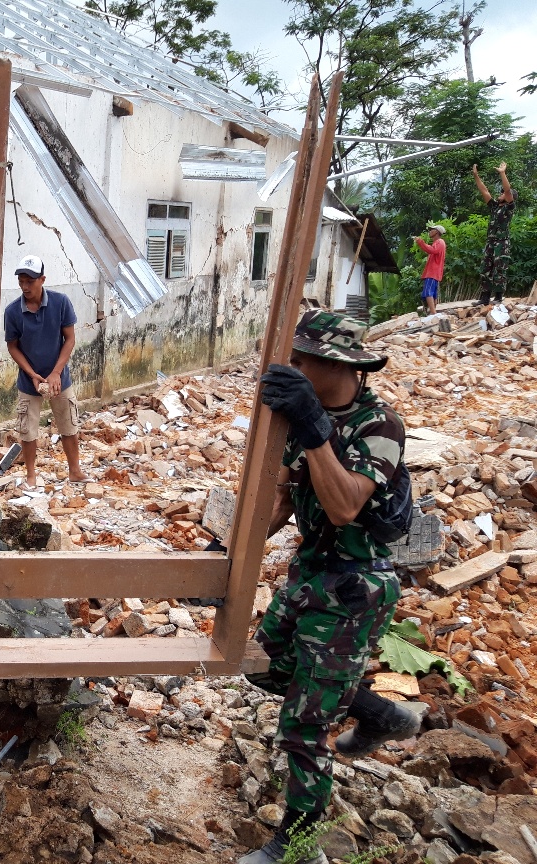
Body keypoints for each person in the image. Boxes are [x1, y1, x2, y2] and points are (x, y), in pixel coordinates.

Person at [239, 310, 420, 864]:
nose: (292, 368)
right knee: (259, 664)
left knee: (304, 724)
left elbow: (343, 506)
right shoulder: (300, 419)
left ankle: (297, 848)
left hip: (355, 588)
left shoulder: (379, 425)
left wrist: (316, 427)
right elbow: (285, 498)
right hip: (310, 575)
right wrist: (231, 558)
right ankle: (378, 714)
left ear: (333, 363)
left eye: (300, 359)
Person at [3, 254, 89, 488]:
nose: (25, 286)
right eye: (21, 281)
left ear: (42, 279)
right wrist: (32, 374)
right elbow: (13, 347)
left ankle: (75, 471)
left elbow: (69, 339)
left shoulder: (61, 303)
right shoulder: (12, 312)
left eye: (30, 281)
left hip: (59, 378)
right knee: (28, 430)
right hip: (28, 380)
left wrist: (56, 373)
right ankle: (31, 475)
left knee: (69, 424)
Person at [474, 162, 516, 306]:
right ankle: (485, 297)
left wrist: (502, 173)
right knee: (485, 268)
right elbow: (485, 191)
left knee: (500, 269)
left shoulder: (509, 208)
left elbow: (508, 190)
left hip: (502, 242)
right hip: (490, 242)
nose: (500, 194)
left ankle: (498, 297)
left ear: (509, 197)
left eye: (502, 193)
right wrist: (476, 176)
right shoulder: (494, 207)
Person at [414, 224, 446, 316]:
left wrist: (420, 242)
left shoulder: (439, 242)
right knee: (433, 293)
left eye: (431, 230)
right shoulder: (438, 242)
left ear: (436, 232)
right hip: (434, 272)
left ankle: (433, 312)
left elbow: (432, 250)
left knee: (428, 292)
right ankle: (433, 312)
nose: (430, 231)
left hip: (433, 272)